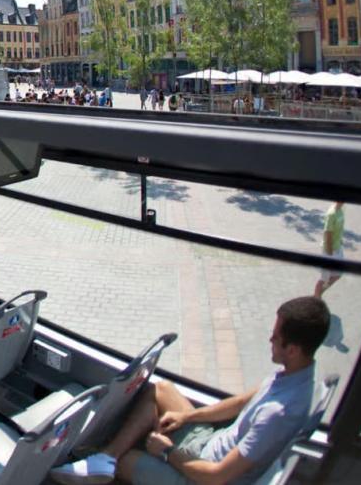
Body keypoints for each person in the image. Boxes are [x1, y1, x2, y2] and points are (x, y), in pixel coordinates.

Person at [53, 296, 331, 485]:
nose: (270, 339)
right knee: (161, 389)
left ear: (293, 349)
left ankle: (110, 459)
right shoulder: (292, 377)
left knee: (127, 461)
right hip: (210, 442)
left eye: (276, 337)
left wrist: (166, 452)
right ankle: (106, 457)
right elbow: (238, 404)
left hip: (202, 474)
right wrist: (187, 417)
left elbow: (216, 476)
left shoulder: (278, 413)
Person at [314, 202, 345, 298]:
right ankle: (317, 297)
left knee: (337, 274)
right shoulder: (332, 213)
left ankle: (318, 295)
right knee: (324, 278)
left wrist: (340, 241)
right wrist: (330, 252)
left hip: (338, 247)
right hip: (329, 250)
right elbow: (327, 232)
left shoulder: (340, 210)